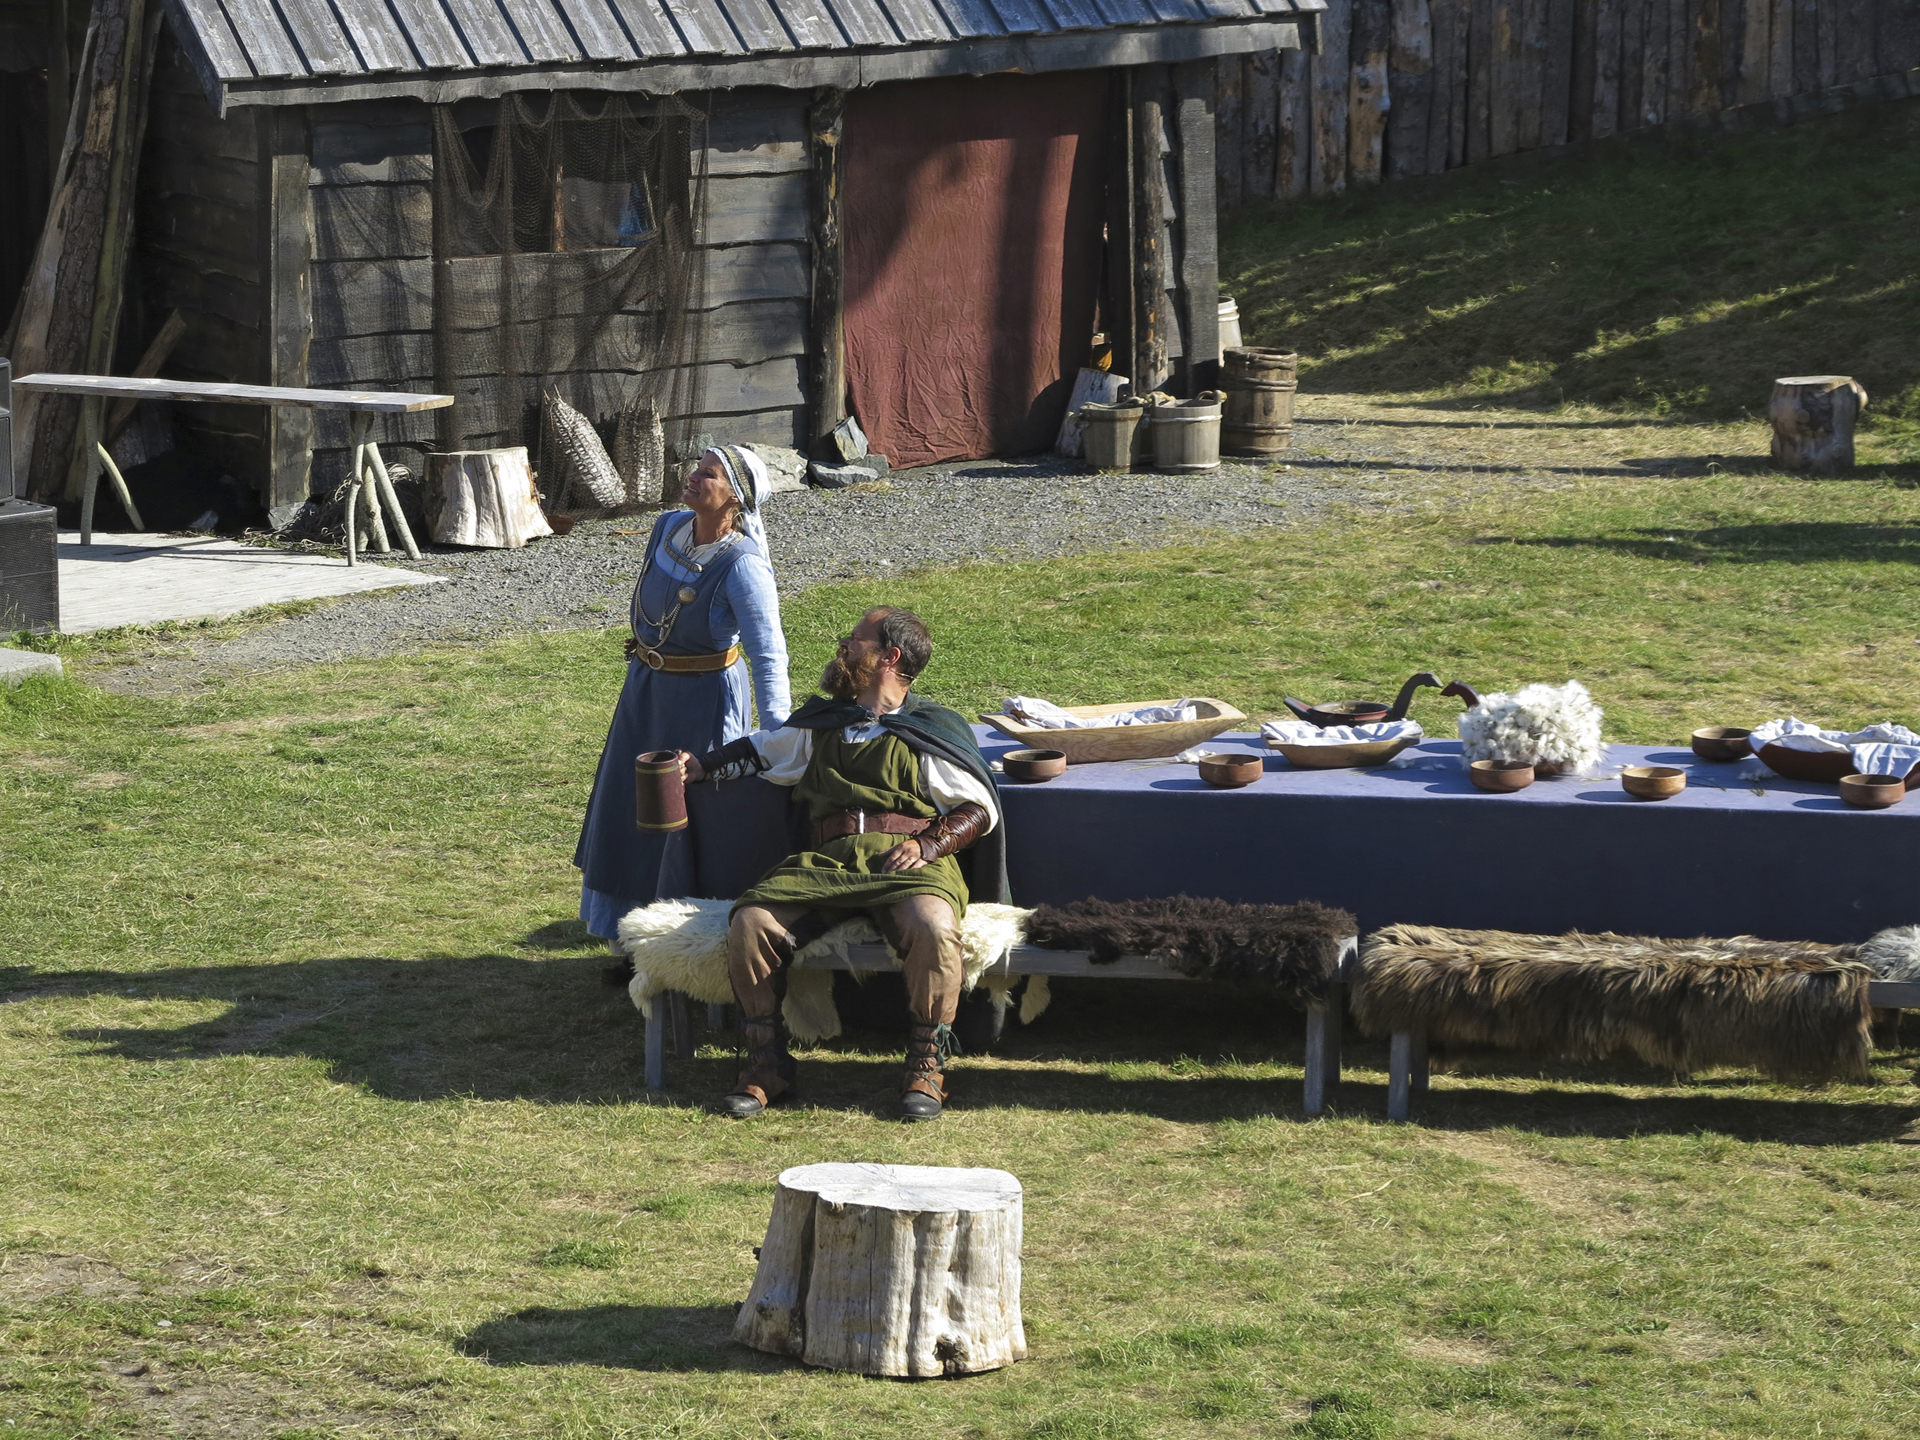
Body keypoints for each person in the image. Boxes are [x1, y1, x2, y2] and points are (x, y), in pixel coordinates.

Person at [681, 606, 1006, 1122]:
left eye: (855, 642)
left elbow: (977, 808)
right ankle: (767, 1067)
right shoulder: (822, 725)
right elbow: (762, 752)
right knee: (751, 922)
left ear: (888, 657)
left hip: (908, 861)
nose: (844, 648)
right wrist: (702, 766)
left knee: (933, 926)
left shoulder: (931, 729)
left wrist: (928, 845)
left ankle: (926, 1071)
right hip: (827, 861)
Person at [574, 445, 790, 941]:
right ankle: (626, 930)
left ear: (735, 496)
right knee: (631, 805)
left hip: (705, 703)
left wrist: (779, 735)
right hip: (646, 692)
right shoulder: (666, 527)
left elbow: (768, 652)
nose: (692, 477)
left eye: (707, 474)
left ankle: (685, 935)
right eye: (696, 468)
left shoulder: (742, 565)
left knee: (687, 818)